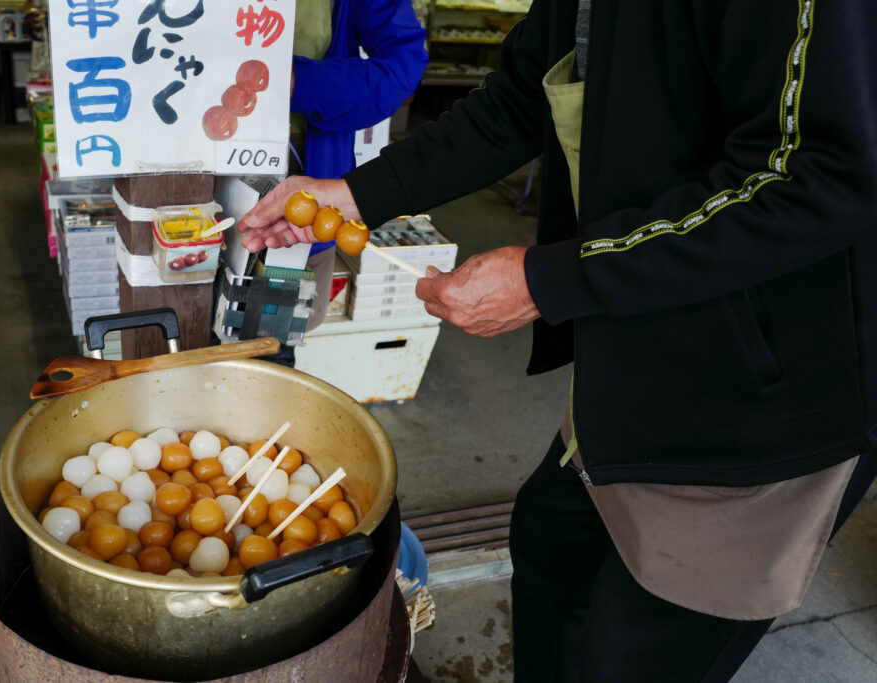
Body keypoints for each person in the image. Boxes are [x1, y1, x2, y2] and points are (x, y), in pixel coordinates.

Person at [239, 0, 877, 680]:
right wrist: (354, 196)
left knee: (634, 652)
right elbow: (514, 102)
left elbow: (817, 172)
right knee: (549, 548)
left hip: (761, 393)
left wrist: (554, 279)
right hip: (636, 341)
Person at [257, 0, 427, 366]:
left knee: (270, 346)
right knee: (171, 336)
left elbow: (402, 66)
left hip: (298, 189)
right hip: (177, 179)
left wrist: (300, 82)